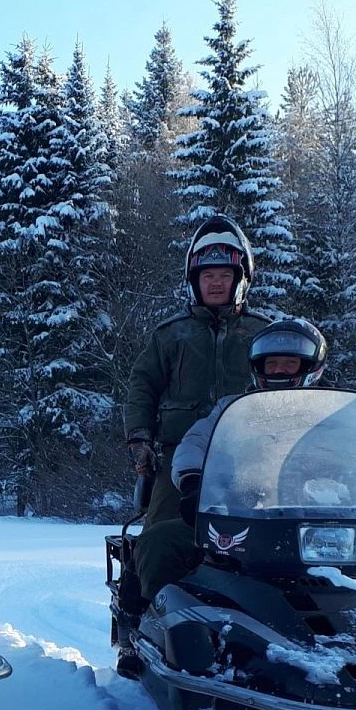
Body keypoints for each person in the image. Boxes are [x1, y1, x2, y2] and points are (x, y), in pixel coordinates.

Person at [133, 318, 330, 605]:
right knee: (161, 540)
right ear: (257, 367)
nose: (278, 370)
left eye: (289, 363)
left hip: (316, 529)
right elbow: (197, 440)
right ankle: (152, 617)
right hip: (238, 519)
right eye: (271, 363)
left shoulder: (333, 415)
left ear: (310, 367)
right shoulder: (235, 408)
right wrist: (193, 482)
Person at [122, 215, 272, 531]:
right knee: (161, 535)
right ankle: (156, 581)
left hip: (250, 456)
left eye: (223, 274)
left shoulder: (264, 334)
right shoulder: (170, 335)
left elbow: (293, 389)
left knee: (275, 532)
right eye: (207, 276)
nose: (215, 282)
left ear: (240, 280)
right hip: (179, 455)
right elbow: (142, 385)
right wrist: (140, 438)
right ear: (194, 281)